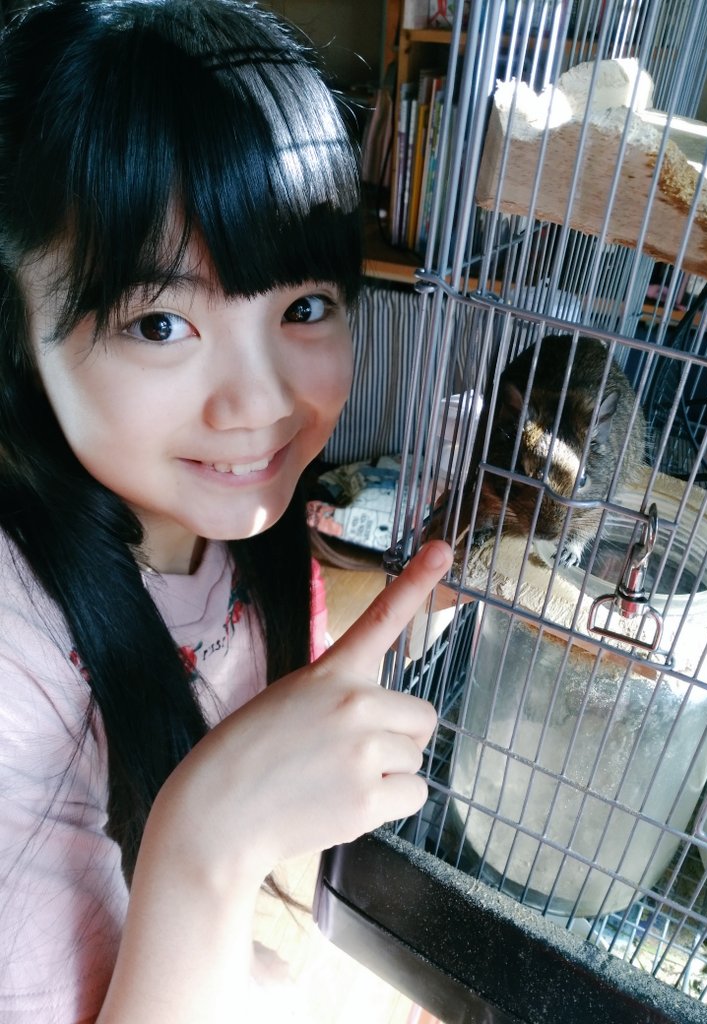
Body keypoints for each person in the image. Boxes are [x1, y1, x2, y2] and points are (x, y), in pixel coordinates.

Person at [0, 1, 452, 1020]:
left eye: (304, 307)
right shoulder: (14, 669)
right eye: (160, 323)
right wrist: (209, 841)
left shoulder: (239, 533)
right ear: (17, 331)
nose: (259, 405)